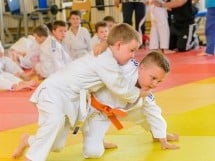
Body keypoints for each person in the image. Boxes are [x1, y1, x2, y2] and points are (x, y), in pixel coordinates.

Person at [12, 23, 148, 161]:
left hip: (70, 98)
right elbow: (120, 87)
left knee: (56, 144)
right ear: (118, 45)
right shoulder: (106, 60)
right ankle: (31, 158)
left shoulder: (108, 54)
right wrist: (139, 93)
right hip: (54, 91)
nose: (133, 55)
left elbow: (115, 44)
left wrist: (106, 43)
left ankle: (27, 140)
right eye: (131, 50)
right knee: (55, 120)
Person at [82, 51, 179, 158]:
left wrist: (163, 139)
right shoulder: (122, 71)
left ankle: (158, 134)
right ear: (141, 68)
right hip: (100, 112)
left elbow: (154, 112)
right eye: (153, 78)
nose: (155, 84)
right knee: (93, 153)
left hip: (127, 110)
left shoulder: (146, 90)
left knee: (148, 112)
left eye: (159, 81)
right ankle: (97, 138)